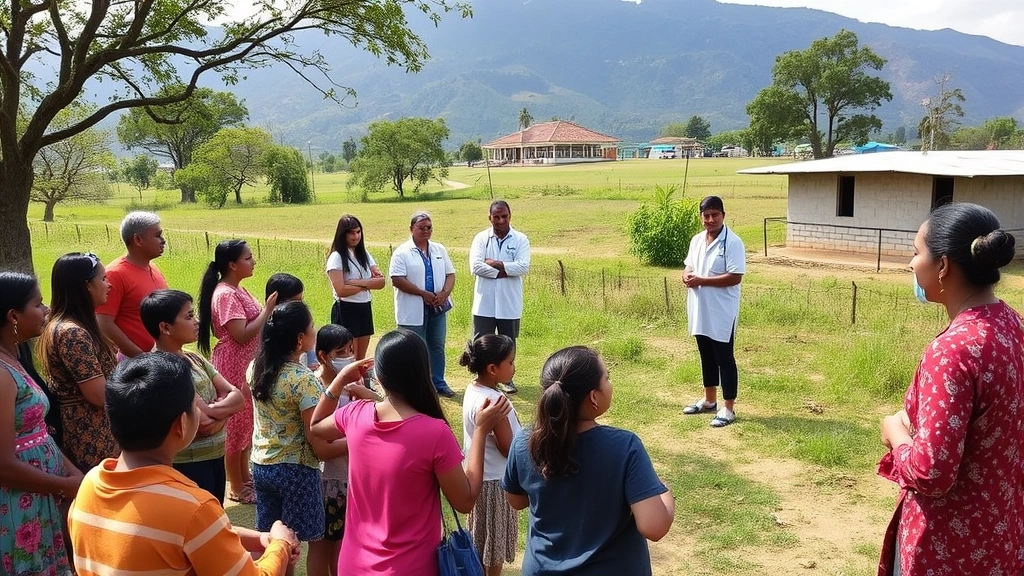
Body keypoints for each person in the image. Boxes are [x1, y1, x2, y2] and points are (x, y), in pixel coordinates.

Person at [877, 203, 1024, 576]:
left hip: (947, 549)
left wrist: (896, 434)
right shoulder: (1011, 324)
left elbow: (932, 473)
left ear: (943, 266)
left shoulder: (953, 351)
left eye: (916, 253)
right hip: (1000, 533)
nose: (911, 265)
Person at [67, 352, 299, 576]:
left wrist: (260, 538)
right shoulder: (194, 507)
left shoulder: (90, 485)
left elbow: (190, 536)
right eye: (195, 405)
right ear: (181, 424)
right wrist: (280, 543)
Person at [310, 329, 512, 576]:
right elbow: (465, 500)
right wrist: (480, 431)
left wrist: (339, 380)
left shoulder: (356, 414)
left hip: (353, 564)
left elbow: (317, 426)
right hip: (411, 567)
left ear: (380, 377)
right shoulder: (434, 433)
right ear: (423, 373)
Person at [502, 346, 675, 576]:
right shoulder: (625, 447)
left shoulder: (524, 441)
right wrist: (664, 492)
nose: (610, 384)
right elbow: (654, 526)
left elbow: (516, 500)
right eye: (607, 377)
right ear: (594, 397)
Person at [248, 300, 345, 559]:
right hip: (296, 473)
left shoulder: (256, 367)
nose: (315, 330)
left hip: (261, 465)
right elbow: (319, 444)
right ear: (301, 338)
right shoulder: (303, 381)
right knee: (291, 546)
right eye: (312, 326)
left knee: (272, 542)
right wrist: (357, 437)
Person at [0, 271, 83, 576]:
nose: (46, 309)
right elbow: (2, 464)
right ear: (13, 316)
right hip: (15, 503)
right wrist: (64, 484)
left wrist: (71, 471)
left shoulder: (14, 357)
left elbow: (35, 433)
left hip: (37, 496)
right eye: (38, 303)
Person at [142, 289, 244, 503]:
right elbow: (202, 424)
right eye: (189, 317)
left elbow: (237, 396)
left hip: (215, 455)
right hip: (190, 463)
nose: (197, 322)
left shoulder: (193, 358)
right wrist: (224, 412)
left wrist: (214, 411)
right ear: (165, 327)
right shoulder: (163, 369)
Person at [198, 238, 277, 504]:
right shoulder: (225, 294)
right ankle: (236, 485)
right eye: (248, 257)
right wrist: (267, 310)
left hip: (246, 363)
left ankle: (244, 477)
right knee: (235, 425)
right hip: (234, 363)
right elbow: (241, 334)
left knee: (245, 423)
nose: (253, 261)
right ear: (232, 264)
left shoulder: (236, 289)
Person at [37, 253, 120, 472]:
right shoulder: (72, 333)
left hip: (98, 432)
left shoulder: (72, 327)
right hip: (90, 436)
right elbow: (98, 394)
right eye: (103, 279)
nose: (108, 285)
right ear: (86, 286)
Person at [308, 324, 379, 576]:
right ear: (322, 356)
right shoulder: (315, 389)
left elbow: (383, 411)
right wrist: (357, 436)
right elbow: (322, 448)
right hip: (327, 481)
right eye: (341, 352)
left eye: (351, 349)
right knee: (322, 546)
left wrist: (365, 394)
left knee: (344, 544)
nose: (349, 356)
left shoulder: (355, 385)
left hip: (351, 479)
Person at [459, 334, 522, 576]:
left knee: (481, 542)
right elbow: (508, 448)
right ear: (493, 368)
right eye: (511, 362)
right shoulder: (494, 402)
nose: (514, 367)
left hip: (477, 479)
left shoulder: (473, 389)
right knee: (492, 552)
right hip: (496, 484)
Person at [681, 195, 745, 427]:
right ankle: (709, 400)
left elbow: (735, 277)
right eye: (706, 216)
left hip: (721, 312)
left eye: (715, 215)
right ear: (701, 217)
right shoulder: (697, 240)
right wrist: (687, 274)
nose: (710, 219)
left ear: (723, 215)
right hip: (700, 308)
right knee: (705, 355)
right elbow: (690, 264)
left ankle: (728, 408)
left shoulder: (733, 242)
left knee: (724, 358)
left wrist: (701, 281)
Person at [389, 211, 457, 398]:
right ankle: (416, 385)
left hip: (437, 306)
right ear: (411, 229)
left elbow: (450, 274)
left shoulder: (439, 249)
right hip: (413, 307)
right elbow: (397, 279)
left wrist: (444, 294)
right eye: (421, 228)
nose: (426, 231)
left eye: (429, 227)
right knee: (413, 347)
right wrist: (422, 294)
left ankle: (438, 382)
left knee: (437, 345)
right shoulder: (402, 252)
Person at [470, 201, 531, 394]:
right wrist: (504, 271)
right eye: (496, 217)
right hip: (484, 303)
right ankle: (483, 379)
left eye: (504, 216)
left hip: (509, 303)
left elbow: (523, 267)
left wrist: (495, 263)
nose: (500, 220)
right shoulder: (481, 238)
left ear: (510, 216)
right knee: (482, 343)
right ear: (490, 218)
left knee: (508, 342)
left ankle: (506, 379)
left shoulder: (520, 239)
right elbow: (476, 266)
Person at [96, 211, 168, 358]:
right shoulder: (115, 274)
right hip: (133, 364)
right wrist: (141, 357)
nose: (163, 240)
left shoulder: (153, 268)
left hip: (158, 359)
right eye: (157, 235)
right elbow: (104, 323)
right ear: (138, 240)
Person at [326, 214, 385, 361]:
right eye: (352, 233)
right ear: (343, 234)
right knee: (347, 357)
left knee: (360, 357)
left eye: (358, 232)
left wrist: (356, 283)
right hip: (346, 308)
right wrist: (367, 283)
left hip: (364, 306)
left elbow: (381, 282)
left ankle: (361, 381)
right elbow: (341, 290)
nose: (356, 236)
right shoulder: (337, 257)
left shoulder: (364, 254)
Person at [266, 273, 318, 370]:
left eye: (301, 301)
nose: (301, 306)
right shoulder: (272, 328)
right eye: (295, 302)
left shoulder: (301, 323)